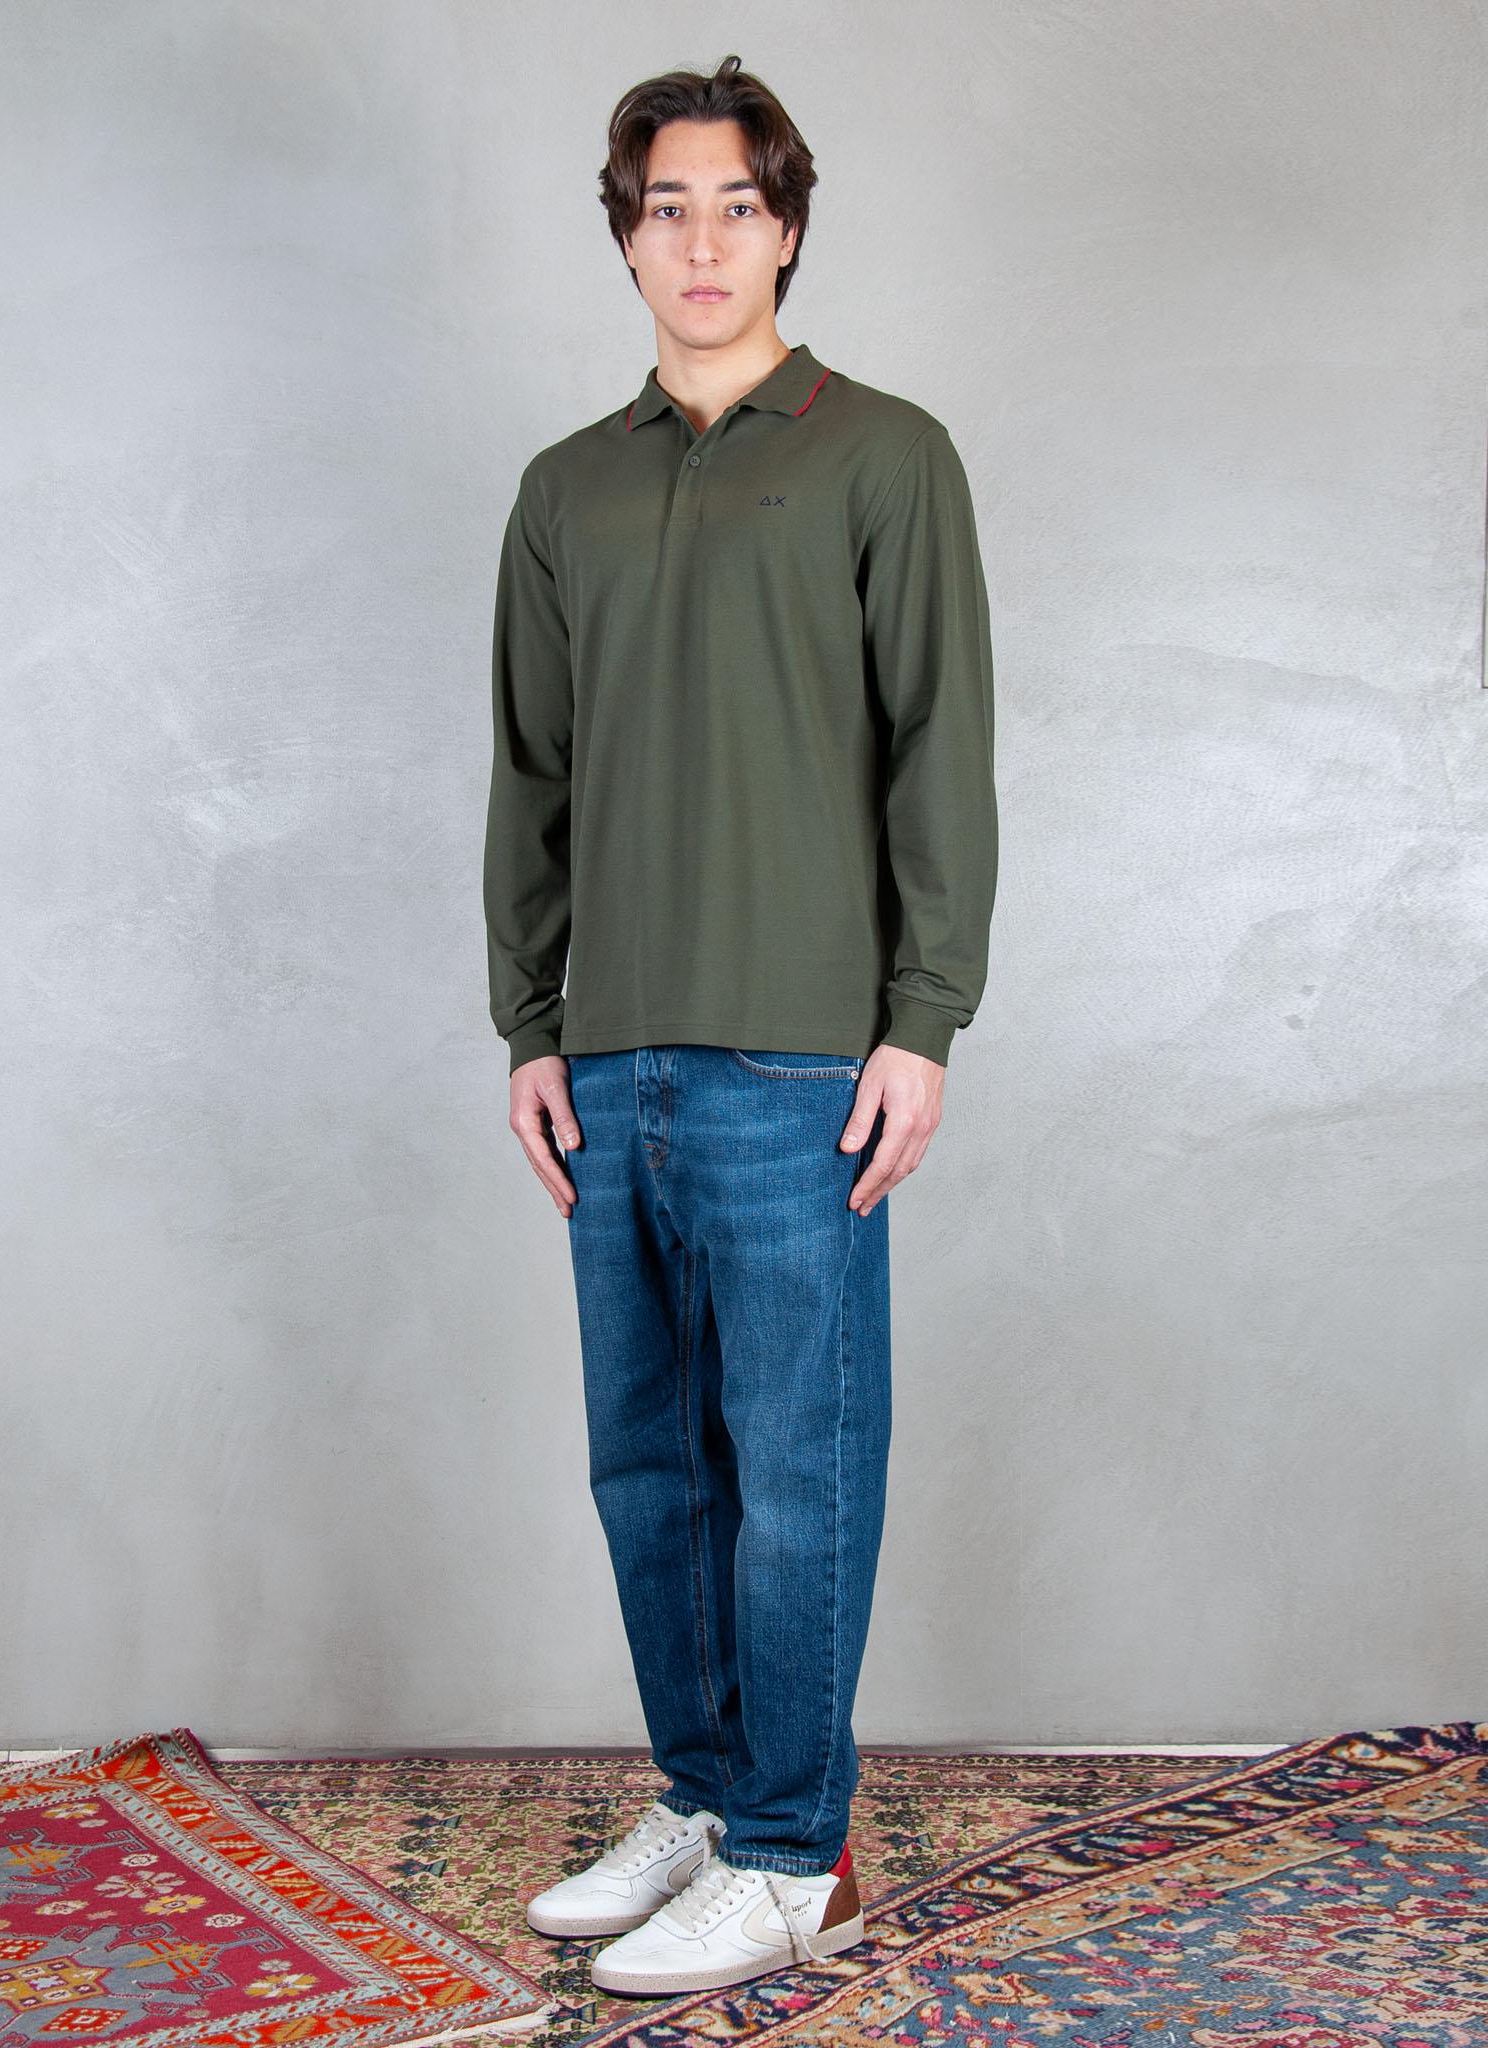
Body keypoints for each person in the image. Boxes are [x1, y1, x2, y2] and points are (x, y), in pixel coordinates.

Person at [482, 52, 998, 1999]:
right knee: (650, 1467)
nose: (702, 242)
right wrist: (529, 1023)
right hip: (611, 1052)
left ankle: (793, 1851)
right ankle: (706, 1800)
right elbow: (531, 774)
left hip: (801, 1058)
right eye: (665, 208)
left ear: (786, 228)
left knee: (795, 1469)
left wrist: (921, 1018)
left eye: (738, 205)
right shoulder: (566, 490)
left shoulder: (884, 456)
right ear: (625, 237)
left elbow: (936, 749)